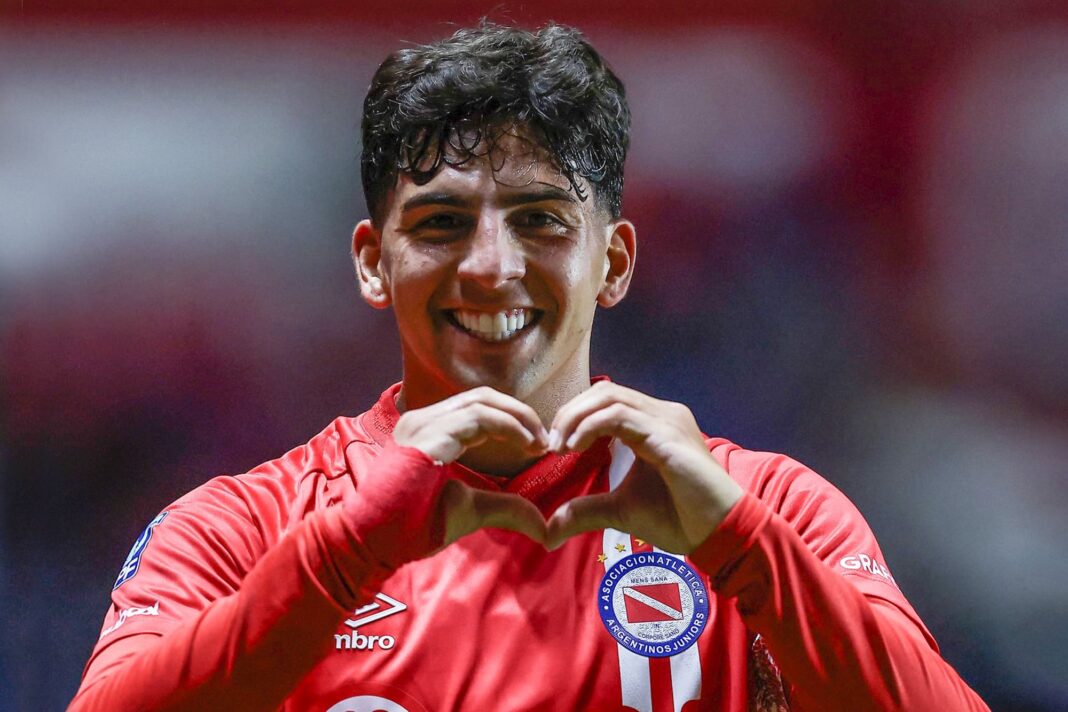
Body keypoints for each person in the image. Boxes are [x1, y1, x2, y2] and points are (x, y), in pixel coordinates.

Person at [70, 22, 988, 711]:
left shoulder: (763, 507)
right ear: (370, 262)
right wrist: (349, 549)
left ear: (616, 262)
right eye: (439, 223)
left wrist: (743, 546)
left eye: (542, 219)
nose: (491, 266)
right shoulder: (243, 528)